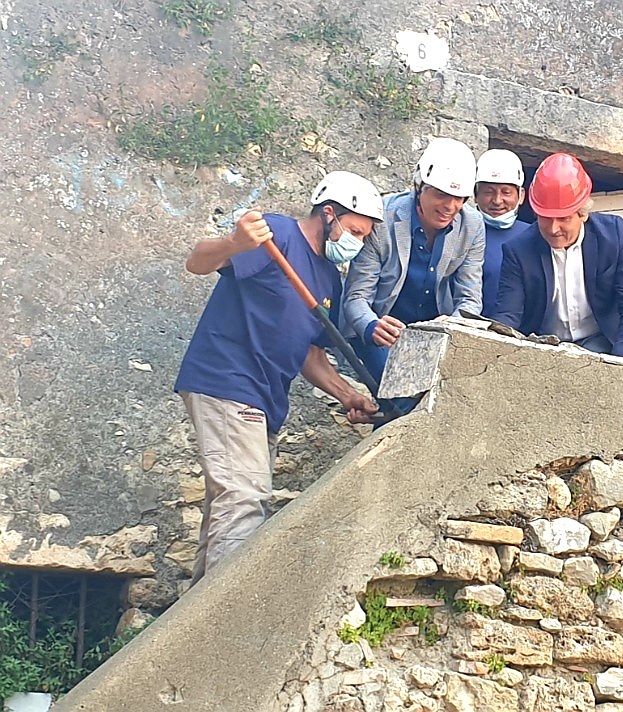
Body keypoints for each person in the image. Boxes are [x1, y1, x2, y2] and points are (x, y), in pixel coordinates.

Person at [175, 171, 382, 584]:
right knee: (245, 503)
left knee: (228, 507)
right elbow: (198, 261)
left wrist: (347, 394)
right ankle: (221, 624)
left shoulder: (328, 280)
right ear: (329, 215)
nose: (356, 244)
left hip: (265, 399)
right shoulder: (277, 236)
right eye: (355, 231)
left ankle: (187, 629)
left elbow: (310, 352)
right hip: (229, 381)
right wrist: (235, 242)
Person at [344, 137, 485, 384]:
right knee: (401, 391)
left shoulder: (472, 226)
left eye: (460, 198)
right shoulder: (382, 219)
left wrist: (454, 323)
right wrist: (372, 326)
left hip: (436, 336)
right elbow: (357, 296)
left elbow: (470, 299)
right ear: (418, 186)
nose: (450, 206)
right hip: (381, 330)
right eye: (441, 194)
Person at [491, 152, 623, 360]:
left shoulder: (615, 235)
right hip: (543, 346)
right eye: (545, 218)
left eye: (563, 219)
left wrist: (622, 365)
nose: (553, 228)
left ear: (583, 214)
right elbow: (508, 314)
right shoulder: (518, 250)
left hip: (606, 341)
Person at [473, 149, 531, 313]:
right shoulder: (460, 234)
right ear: (475, 195)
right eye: (488, 192)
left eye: (506, 192)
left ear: (521, 196)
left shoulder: (534, 236)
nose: (497, 201)